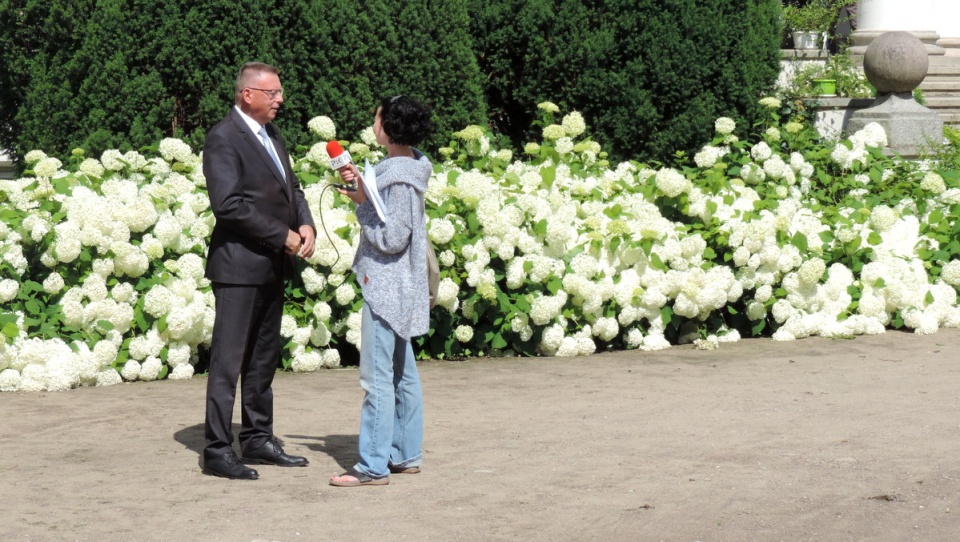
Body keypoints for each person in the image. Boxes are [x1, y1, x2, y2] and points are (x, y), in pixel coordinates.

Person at [201, 62, 316, 480]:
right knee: (228, 362)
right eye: (273, 93)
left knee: (263, 360)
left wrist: (304, 224)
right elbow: (228, 205)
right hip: (238, 267)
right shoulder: (223, 138)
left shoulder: (271, 134)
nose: (280, 99)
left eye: (280, 92)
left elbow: (293, 188)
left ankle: (257, 438)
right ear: (248, 94)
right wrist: (282, 235)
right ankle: (216, 448)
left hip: (272, 266)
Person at [329, 95, 433, 487]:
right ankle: (404, 454)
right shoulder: (410, 167)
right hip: (401, 286)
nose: (373, 123)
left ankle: (373, 464)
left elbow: (392, 238)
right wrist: (365, 194)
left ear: (388, 127)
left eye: (377, 117)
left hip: (387, 286)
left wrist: (362, 207)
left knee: (378, 377)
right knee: (403, 373)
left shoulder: (401, 176)